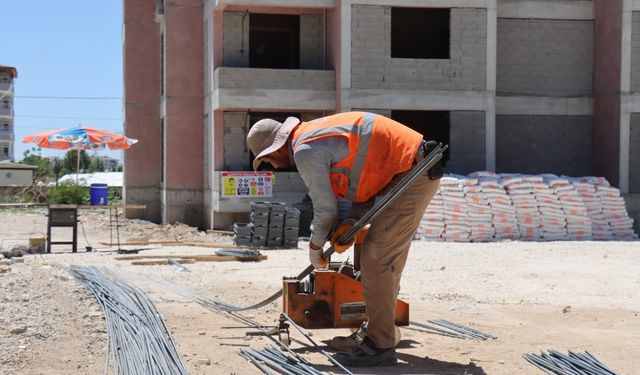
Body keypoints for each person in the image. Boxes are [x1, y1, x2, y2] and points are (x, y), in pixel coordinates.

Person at [246, 112, 442, 366]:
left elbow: (326, 210)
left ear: (276, 149)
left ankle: (380, 345)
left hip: (414, 172)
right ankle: (380, 333)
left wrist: (315, 247)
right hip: (412, 169)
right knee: (384, 260)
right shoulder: (315, 135)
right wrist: (351, 222)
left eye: (268, 160)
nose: (272, 166)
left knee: (376, 257)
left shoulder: (304, 150)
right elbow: (366, 188)